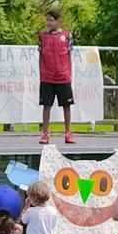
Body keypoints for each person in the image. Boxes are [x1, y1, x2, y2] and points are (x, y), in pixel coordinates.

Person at [38, 8, 76, 145]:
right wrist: (41, 73)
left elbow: (69, 56)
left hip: (63, 77)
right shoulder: (42, 36)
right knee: (46, 105)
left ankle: (68, 133)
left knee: (66, 105)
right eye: (47, 20)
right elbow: (40, 56)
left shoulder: (66, 35)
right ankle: (45, 133)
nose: (48, 22)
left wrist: (69, 73)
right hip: (47, 77)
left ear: (58, 21)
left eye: (51, 20)